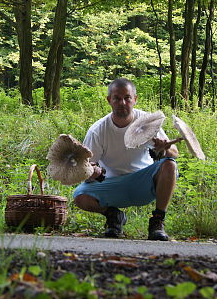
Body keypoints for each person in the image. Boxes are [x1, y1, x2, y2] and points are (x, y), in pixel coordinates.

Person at [73, 78, 182, 241]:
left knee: (169, 165)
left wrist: (165, 147)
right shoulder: (98, 130)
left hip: (143, 182)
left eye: (127, 98)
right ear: (109, 100)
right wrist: (93, 173)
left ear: (135, 99)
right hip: (112, 184)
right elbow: (86, 168)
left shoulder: (147, 121)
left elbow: (174, 154)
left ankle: (157, 222)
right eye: (117, 98)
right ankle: (114, 216)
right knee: (80, 196)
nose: (122, 103)